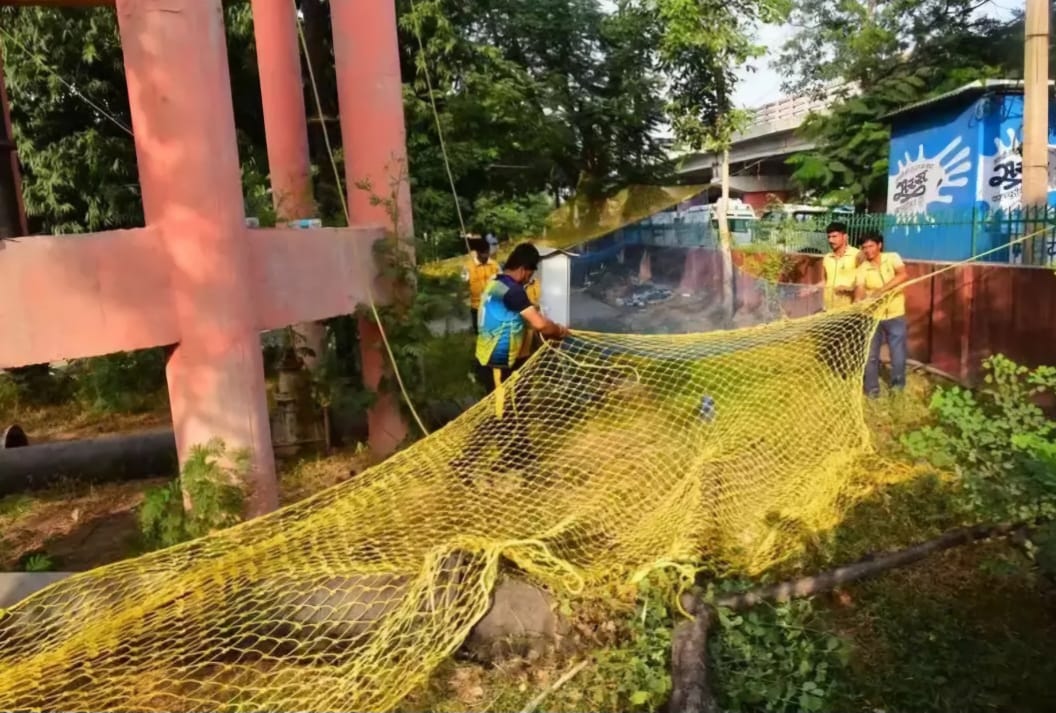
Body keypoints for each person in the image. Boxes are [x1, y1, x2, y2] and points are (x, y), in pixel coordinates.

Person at [475, 242, 569, 394]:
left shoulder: (495, 283)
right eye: (530, 274)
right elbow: (540, 325)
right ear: (523, 269)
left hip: (489, 359)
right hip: (499, 365)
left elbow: (509, 316)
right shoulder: (513, 290)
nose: (528, 279)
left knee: (508, 409)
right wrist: (558, 330)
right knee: (505, 413)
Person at [855, 232, 909, 398]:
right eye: (864, 248)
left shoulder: (892, 258)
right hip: (873, 316)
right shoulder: (862, 269)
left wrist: (880, 291)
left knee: (897, 353)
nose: (868, 250)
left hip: (895, 313)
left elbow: (903, 275)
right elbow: (860, 291)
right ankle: (872, 390)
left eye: (871, 246)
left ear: (879, 245)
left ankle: (897, 387)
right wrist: (859, 302)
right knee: (870, 354)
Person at [463, 236, 499, 334]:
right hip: (477, 306)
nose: (487, 255)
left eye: (488, 252)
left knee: (493, 333)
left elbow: (502, 282)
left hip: (492, 305)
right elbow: (463, 283)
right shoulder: (469, 267)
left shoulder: (494, 265)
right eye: (484, 253)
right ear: (478, 252)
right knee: (479, 333)